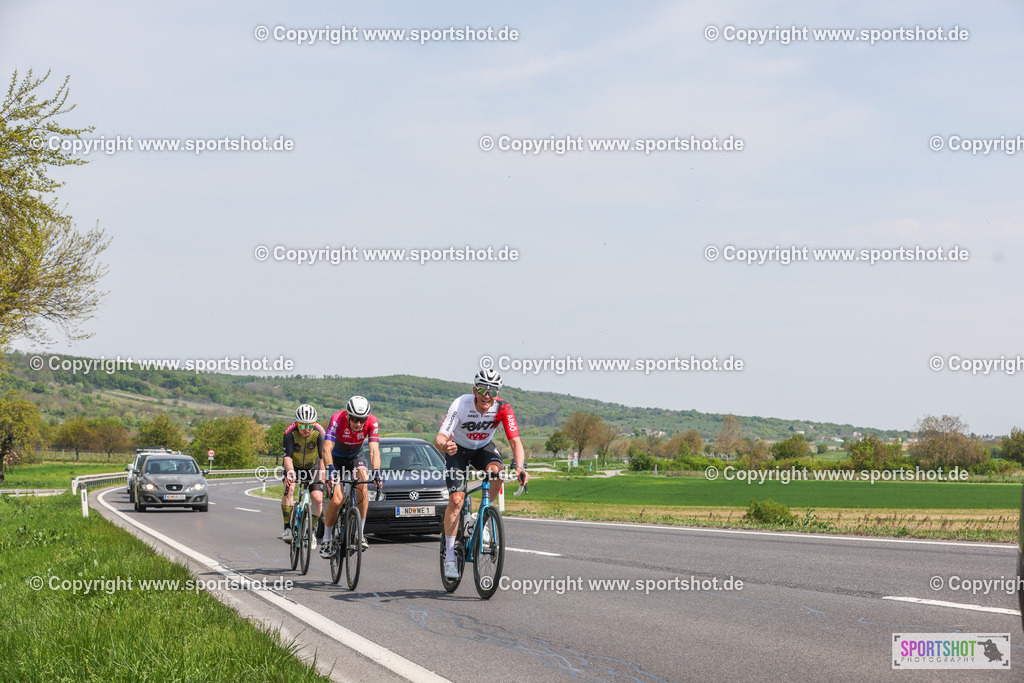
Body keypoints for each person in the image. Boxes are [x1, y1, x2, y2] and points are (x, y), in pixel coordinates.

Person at [436, 369, 528, 579]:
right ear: (474, 390)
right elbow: (439, 438)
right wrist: (445, 446)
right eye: (482, 389)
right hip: (457, 450)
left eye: (492, 391)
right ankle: (450, 558)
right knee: (457, 500)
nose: (487, 395)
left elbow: (515, 441)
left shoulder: (503, 407)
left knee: (497, 472)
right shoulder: (460, 404)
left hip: (483, 448)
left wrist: (521, 467)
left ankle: (482, 514)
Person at [319, 395, 381, 557]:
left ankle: (359, 534)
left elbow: (374, 450)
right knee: (338, 499)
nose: (359, 424)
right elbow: (326, 448)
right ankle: (326, 539)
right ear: (347, 415)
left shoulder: (372, 422)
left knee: (363, 483)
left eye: (362, 420)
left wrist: (377, 472)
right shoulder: (336, 419)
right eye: (355, 419)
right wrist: (330, 468)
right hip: (336, 459)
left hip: (355, 457)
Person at [281, 404, 326, 548]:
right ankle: (287, 527)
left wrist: (323, 475)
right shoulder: (290, 432)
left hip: (313, 467)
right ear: (296, 423)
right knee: (290, 489)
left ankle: (311, 531)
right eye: (302, 426)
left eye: (310, 425)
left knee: (318, 499)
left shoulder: (319, 433)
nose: (307, 429)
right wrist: (290, 473)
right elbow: (287, 457)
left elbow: (322, 458)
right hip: (293, 465)